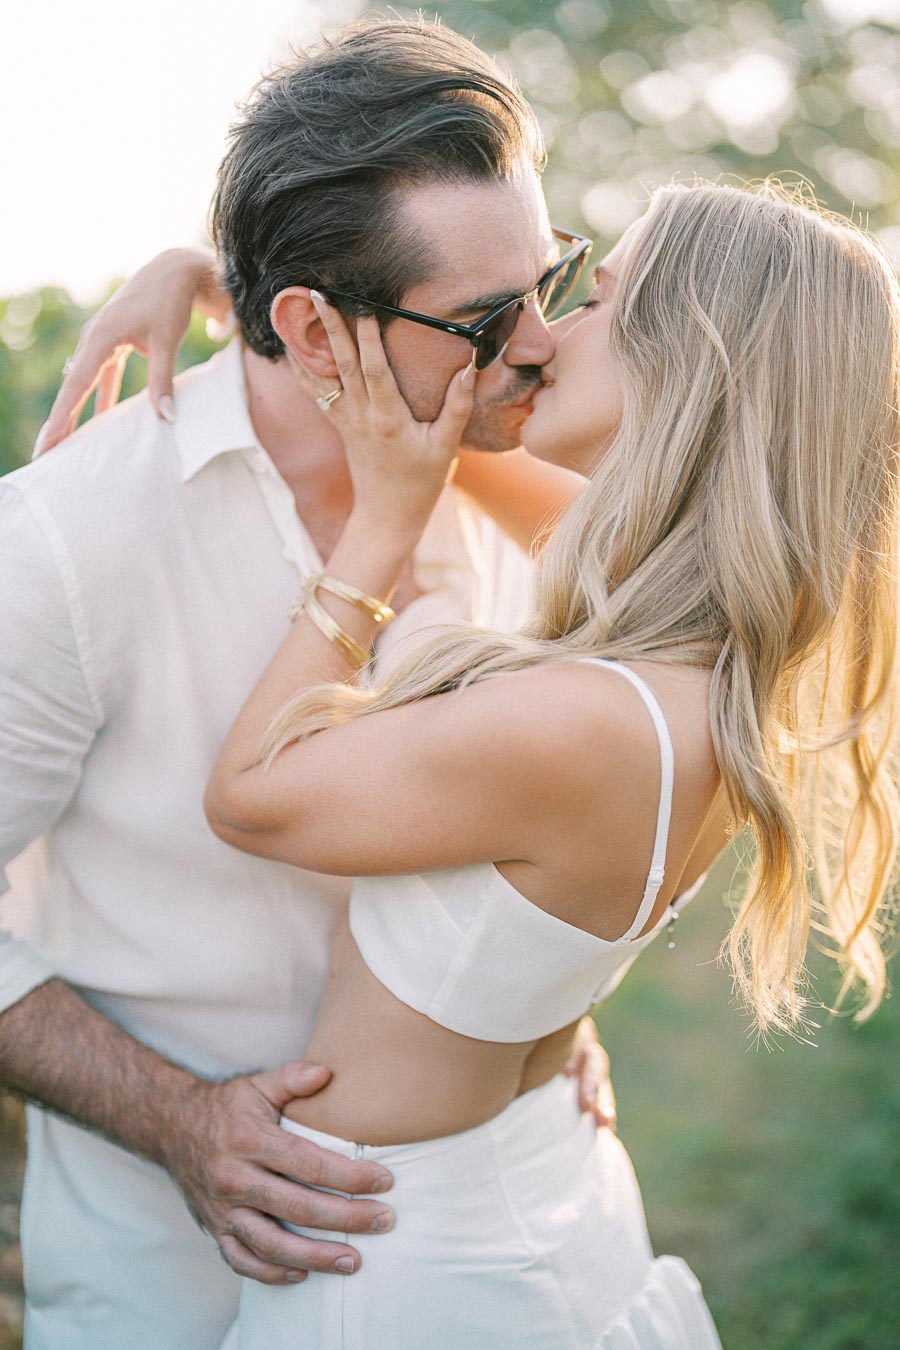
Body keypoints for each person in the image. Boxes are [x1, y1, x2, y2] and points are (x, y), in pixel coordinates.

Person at [49, 177, 900, 1346]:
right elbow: (433, 435)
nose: (542, 339)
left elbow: (248, 798)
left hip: (400, 1261)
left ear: (686, 363)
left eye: (596, 302)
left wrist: (378, 531)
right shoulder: (694, 651)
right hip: (513, 1185)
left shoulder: (595, 721)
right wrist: (221, 283)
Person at [0, 19, 615, 1349]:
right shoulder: (62, 544)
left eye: (547, 281)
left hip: (449, 1253)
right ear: (310, 327)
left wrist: (522, 1001)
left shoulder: (495, 480)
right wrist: (175, 1116)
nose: (538, 344)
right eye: (482, 319)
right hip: (154, 1272)